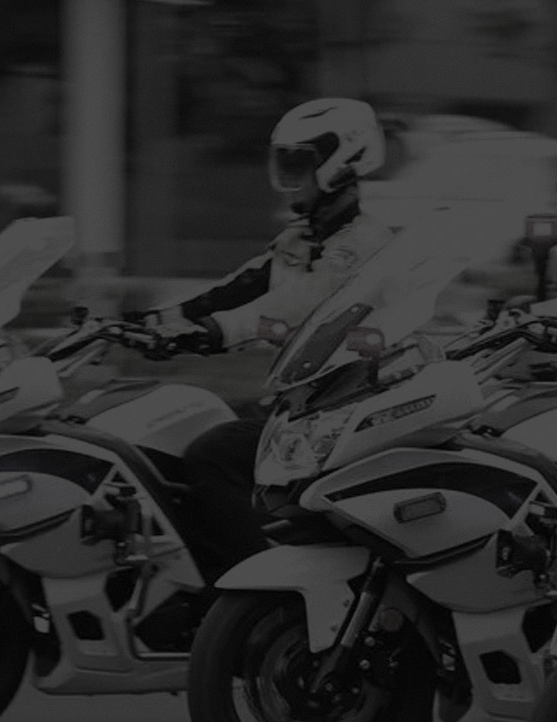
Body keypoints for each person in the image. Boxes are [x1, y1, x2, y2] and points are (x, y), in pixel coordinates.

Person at [131, 97, 396, 581]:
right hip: (299, 407)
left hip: (344, 410)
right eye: (285, 161)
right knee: (169, 439)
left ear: (342, 162)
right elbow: (235, 289)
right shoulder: (299, 239)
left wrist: (213, 332)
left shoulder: (362, 244)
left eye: (300, 162)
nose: (289, 174)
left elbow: (292, 304)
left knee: (213, 455)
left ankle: (254, 591)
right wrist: (147, 322)